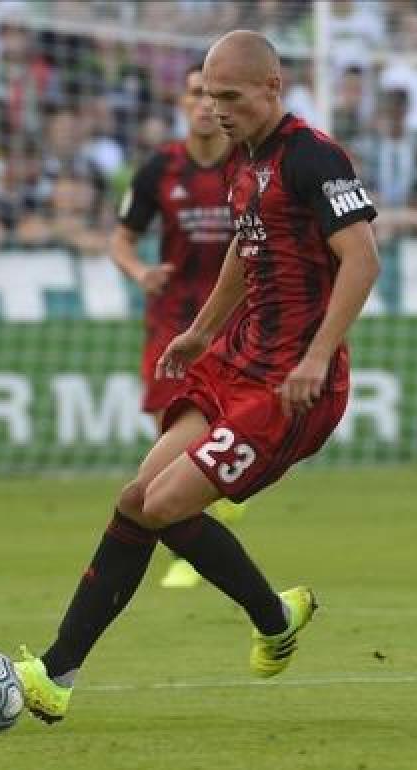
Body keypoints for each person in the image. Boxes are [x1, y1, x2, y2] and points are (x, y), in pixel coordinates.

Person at [13, 30, 381, 724]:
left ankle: (268, 618)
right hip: (236, 360)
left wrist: (315, 356)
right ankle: (58, 674)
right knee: (136, 498)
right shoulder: (246, 160)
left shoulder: (314, 156)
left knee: (164, 506)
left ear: (273, 88)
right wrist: (203, 330)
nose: (216, 110)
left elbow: (362, 260)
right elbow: (248, 245)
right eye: (210, 97)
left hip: (289, 389)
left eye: (231, 97)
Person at [109, 64, 246, 590]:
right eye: (195, 94)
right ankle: (190, 538)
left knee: (225, 433)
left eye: (214, 94)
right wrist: (141, 271)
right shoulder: (159, 170)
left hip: (236, 324)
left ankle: (199, 539)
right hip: (173, 323)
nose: (205, 104)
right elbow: (121, 239)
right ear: (183, 103)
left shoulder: (248, 164)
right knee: (168, 443)